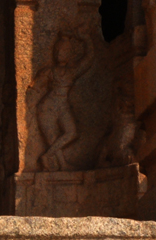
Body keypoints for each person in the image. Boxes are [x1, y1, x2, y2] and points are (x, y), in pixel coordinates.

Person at [30, 29, 96, 172]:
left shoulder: (72, 71)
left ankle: (48, 155)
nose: (60, 53)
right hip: (47, 106)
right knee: (52, 137)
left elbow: (89, 59)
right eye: (58, 50)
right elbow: (33, 88)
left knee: (72, 132)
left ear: (70, 53)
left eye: (65, 50)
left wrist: (87, 40)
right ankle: (62, 164)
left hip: (62, 105)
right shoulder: (49, 71)